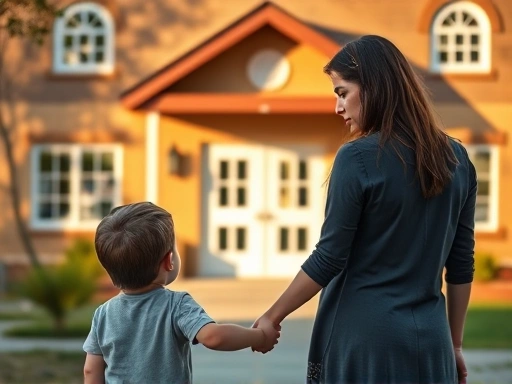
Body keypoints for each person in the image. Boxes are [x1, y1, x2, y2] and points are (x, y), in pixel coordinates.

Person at [253, 35, 476, 384]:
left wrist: (272, 316)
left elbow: (329, 257)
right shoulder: (458, 158)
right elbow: (461, 265)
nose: (338, 108)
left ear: (374, 87)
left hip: (362, 342)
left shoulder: (356, 158)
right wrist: (455, 345)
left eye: (342, 93)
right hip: (433, 344)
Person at [83, 202, 279, 384]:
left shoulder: (103, 314)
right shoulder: (176, 305)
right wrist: (260, 336)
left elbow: (91, 371)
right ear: (169, 261)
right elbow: (213, 337)